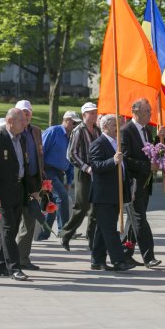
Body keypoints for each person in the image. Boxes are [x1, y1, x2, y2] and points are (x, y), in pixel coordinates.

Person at [0, 108, 33, 281]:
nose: (24, 124)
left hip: (18, 190)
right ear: (10, 121)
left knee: (9, 230)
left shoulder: (22, 139)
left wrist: (31, 189)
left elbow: (24, 167)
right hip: (1, 193)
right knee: (8, 229)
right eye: (21, 120)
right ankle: (14, 267)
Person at [88, 114, 136, 271]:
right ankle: (118, 260)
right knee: (109, 228)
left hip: (116, 192)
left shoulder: (117, 143)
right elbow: (95, 166)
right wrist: (113, 161)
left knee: (103, 228)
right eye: (115, 125)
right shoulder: (98, 143)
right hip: (103, 194)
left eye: (119, 124)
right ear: (105, 127)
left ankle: (97, 260)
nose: (118, 128)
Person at [121, 98, 164, 268]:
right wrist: (147, 166)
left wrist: (160, 140)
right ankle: (149, 256)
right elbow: (125, 158)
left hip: (145, 182)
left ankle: (125, 252)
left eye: (150, 111)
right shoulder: (126, 130)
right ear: (136, 111)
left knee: (133, 219)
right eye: (147, 111)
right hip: (132, 183)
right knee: (140, 219)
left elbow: (152, 152)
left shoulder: (147, 129)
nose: (150, 114)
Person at [60, 102, 101, 251]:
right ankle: (66, 233)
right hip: (83, 171)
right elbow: (71, 154)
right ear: (84, 115)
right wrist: (85, 167)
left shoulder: (97, 130)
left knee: (95, 207)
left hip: (96, 171)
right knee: (82, 206)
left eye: (95, 112)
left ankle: (92, 239)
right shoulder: (79, 130)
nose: (94, 115)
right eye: (91, 113)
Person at [12, 100, 45, 271]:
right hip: (17, 182)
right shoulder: (13, 132)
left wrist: (43, 179)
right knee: (10, 221)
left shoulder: (37, 131)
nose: (26, 115)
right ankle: (3, 256)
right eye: (23, 112)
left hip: (33, 181)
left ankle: (22, 257)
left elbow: (40, 156)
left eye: (28, 112)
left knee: (30, 220)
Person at [37, 111, 78, 240]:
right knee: (62, 198)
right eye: (74, 122)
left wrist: (69, 180)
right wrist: (41, 172)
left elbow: (70, 159)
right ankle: (64, 230)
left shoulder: (70, 136)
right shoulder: (53, 131)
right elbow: (41, 151)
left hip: (60, 173)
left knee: (53, 203)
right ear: (66, 120)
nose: (75, 125)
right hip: (48, 171)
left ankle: (44, 233)